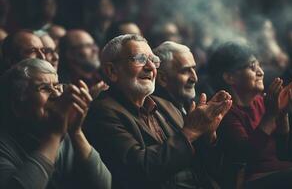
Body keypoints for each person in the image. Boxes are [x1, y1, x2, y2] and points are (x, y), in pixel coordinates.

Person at [84, 34, 232, 189]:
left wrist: (207, 135)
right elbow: (139, 170)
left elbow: (203, 166)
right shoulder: (101, 112)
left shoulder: (164, 105)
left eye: (153, 60)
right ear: (112, 70)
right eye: (140, 59)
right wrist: (191, 131)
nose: (150, 67)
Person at [0, 58, 111, 189]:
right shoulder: (5, 145)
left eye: (57, 86)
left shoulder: (67, 133)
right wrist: (54, 136)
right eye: (44, 88)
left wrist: (76, 132)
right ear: (18, 106)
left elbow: (103, 185)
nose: (57, 95)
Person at [208, 42, 292, 188]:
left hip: (277, 169)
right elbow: (246, 155)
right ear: (230, 77)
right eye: (252, 67)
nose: (261, 72)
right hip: (251, 179)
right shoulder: (225, 111)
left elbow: (283, 149)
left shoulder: (262, 102)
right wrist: (271, 115)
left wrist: (282, 113)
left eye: (259, 66)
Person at [58, 29, 108, 98]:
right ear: (70, 54)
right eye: (88, 46)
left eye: (94, 44)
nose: (95, 49)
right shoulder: (63, 86)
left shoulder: (104, 77)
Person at [153, 41, 198, 116]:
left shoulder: (190, 104)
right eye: (185, 71)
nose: (195, 78)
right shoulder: (155, 112)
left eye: (194, 68)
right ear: (162, 78)